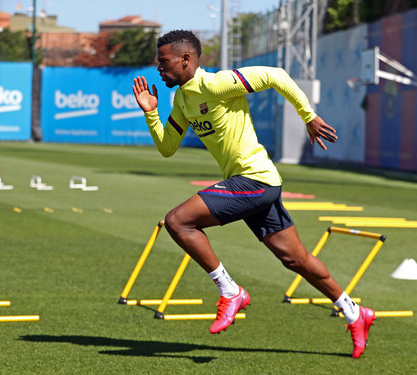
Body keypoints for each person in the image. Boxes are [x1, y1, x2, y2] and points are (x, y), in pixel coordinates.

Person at [132, 30, 375, 359]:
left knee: (178, 221)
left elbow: (276, 75)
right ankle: (354, 312)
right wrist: (150, 112)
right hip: (254, 184)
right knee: (295, 259)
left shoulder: (215, 84)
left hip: (255, 180)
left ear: (186, 59)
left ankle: (230, 290)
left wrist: (308, 116)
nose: (159, 68)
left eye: (164, 62)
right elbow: (167, 147)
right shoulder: (182, 99)